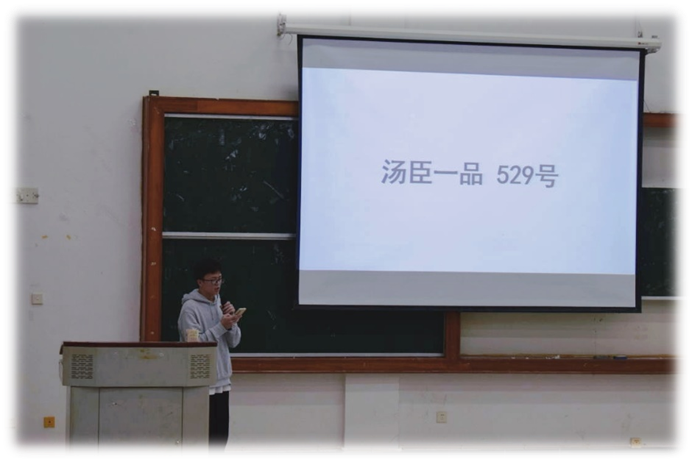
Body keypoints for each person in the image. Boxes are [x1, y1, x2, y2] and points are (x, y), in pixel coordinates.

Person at [178, 258, 243, 456]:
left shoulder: (219, 303)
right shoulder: (190, 308)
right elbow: (195, 345)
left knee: (220, 436)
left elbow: (234, 342)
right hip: (201, 381)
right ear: (200, 282)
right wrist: (221, 326)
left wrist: (232, 324)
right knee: (202, 436)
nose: (217, 284)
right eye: (212, 280)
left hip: (222, 379)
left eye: (219, 279)